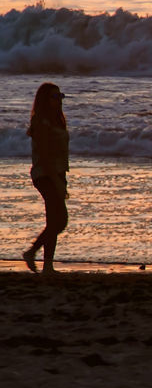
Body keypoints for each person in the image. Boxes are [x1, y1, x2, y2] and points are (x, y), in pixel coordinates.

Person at [22, 83, 69, 275]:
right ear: (44, 100)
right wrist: (56, 181)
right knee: (60, 221)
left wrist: (61, 178)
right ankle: (32, 252)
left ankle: (47, 265)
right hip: (45, 175)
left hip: (58, 173)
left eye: (60, 96)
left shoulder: (57, 120)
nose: (58, 100)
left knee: (55, 220)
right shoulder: (41, 122)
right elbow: (45, 155)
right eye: (54, 97)